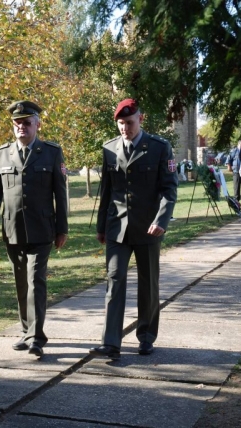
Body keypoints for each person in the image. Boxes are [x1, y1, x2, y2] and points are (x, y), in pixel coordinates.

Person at [90, 98, 178, 360]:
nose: (125, 128)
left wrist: (161, 221)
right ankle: (111, 342)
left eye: (129, 122)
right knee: (114, 281)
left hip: (148, 228)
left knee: (148, 283)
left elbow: (169, 190)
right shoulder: (109, 149)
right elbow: (106, 192)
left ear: (141, 119)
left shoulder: (159, 148)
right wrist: (101, 227)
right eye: (120, 124)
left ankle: (146, 336)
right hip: (117, 227)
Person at [0, 101, 68, 358]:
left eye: (27, 122)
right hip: (13, 230)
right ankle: (26, 331)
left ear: (37, 125)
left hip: (43, 228)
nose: (21, 127)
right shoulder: (1, 154)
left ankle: (36, 336)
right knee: (21, 282)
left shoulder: (51, 152)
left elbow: (61, 194)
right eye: (17, 123)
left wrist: (62, 228)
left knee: (35, 280)